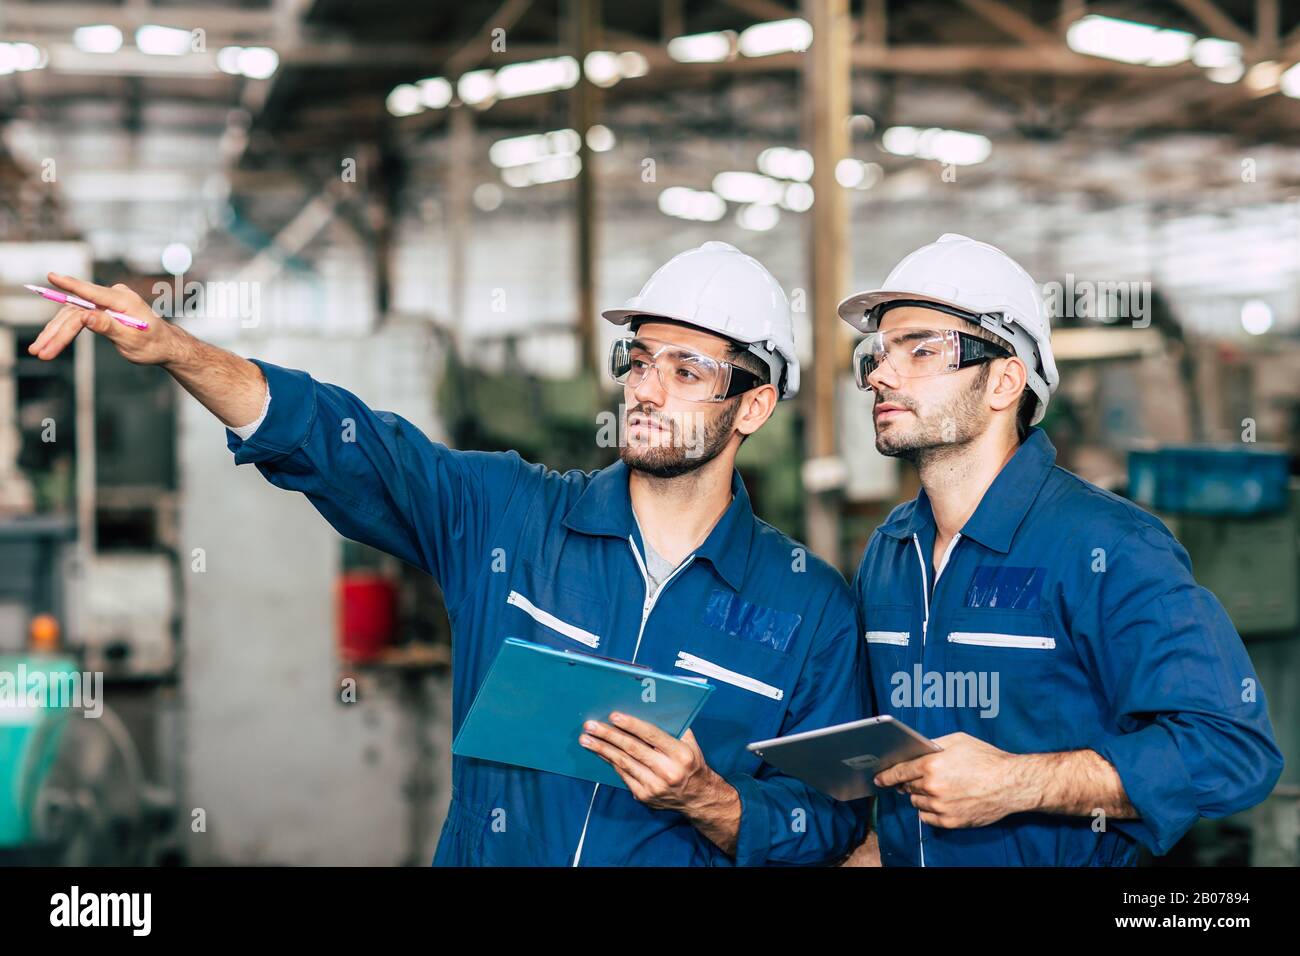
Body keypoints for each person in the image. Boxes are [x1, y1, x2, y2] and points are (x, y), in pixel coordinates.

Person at [30, 240, 869, 866]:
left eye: (687, 371)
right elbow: (340, 440)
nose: (646, 388)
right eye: (640, 358)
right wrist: (179, 349)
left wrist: (712, 803)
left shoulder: (809, 606)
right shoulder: (510, 516)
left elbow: (833, 818)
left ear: (753, 406)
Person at [839, 233, 1283, 866]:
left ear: (1003, 382)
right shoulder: (889, 552)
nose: (880, 374)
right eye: (879, 353)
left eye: (920, 350)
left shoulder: (1110, 547)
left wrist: (1016, 783)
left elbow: (1232, 749)